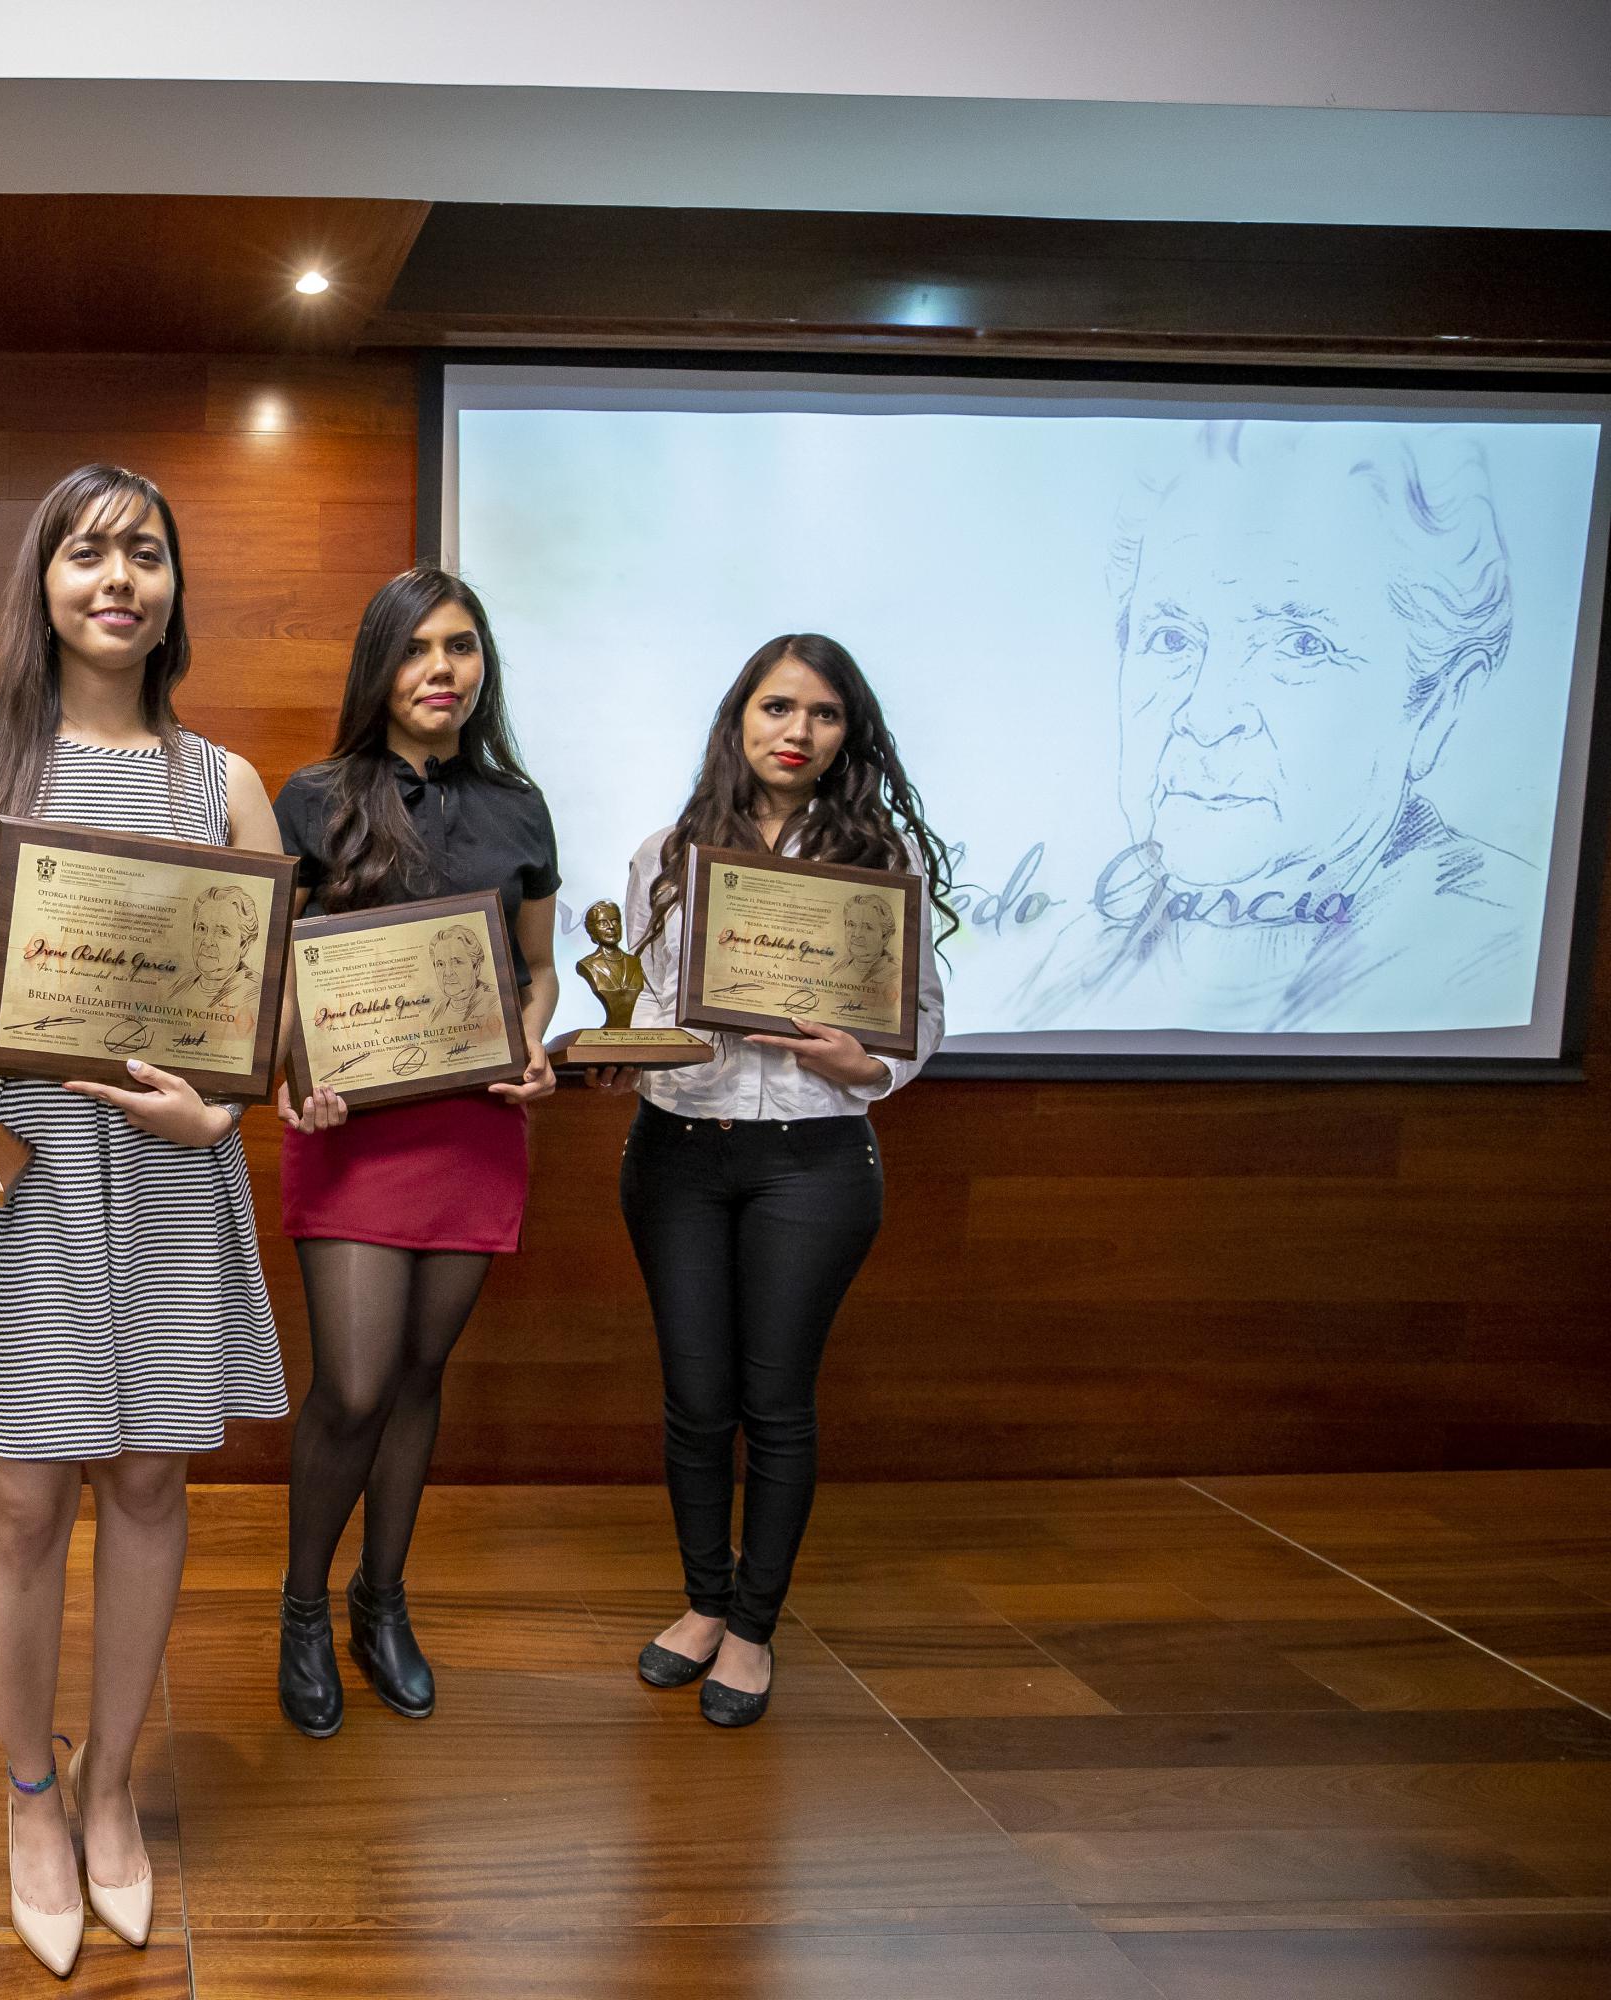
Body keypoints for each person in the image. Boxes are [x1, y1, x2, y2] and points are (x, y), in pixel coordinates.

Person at [0, 464, 288, 1978]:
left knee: (152, 1484)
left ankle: (114, 1791)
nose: (119, 577)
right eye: (87, 551)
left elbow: (254, 1019)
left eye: (145, 553)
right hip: (9, 1167)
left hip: (160, 1174)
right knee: (22, 1502)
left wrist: (218, 1110)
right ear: (42, 581)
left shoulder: (218, 779)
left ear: (172, 589)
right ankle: (29, 1793)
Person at [607, 633, 951, 1727]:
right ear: (736, 719)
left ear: (848, 733)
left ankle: (754, 1626)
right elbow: (649, 1010)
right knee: (697, 1400)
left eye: (823, 714)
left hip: (813, 1153)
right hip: (680, 1149)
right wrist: (645, 1043)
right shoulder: (667, 852)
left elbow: (924, 1014)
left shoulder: (878, 860)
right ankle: (706, 1600)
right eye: (775, 707)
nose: (796, 731)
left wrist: (874, 1064)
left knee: (776, 1402)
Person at [267, 568, 559, 1738]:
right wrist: (295, 1067)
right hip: (349, 1129)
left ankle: (380, 1600)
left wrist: (534, 1042)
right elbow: (275, 965)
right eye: (419, 649)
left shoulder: (519, 806)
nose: (444, 669)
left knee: (421, 1378)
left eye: (464, 647)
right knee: (352, 1383)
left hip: (473, 1125)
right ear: (378, 668)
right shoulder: (312, 797)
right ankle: (299, 1607)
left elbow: (535, 968)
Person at [1011, 422, 1531, 1033]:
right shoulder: (1065, 971)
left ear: (1440, 704)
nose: (1204, 717)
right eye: (1171, 638)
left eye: (1302, 645)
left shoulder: (1494, 957)